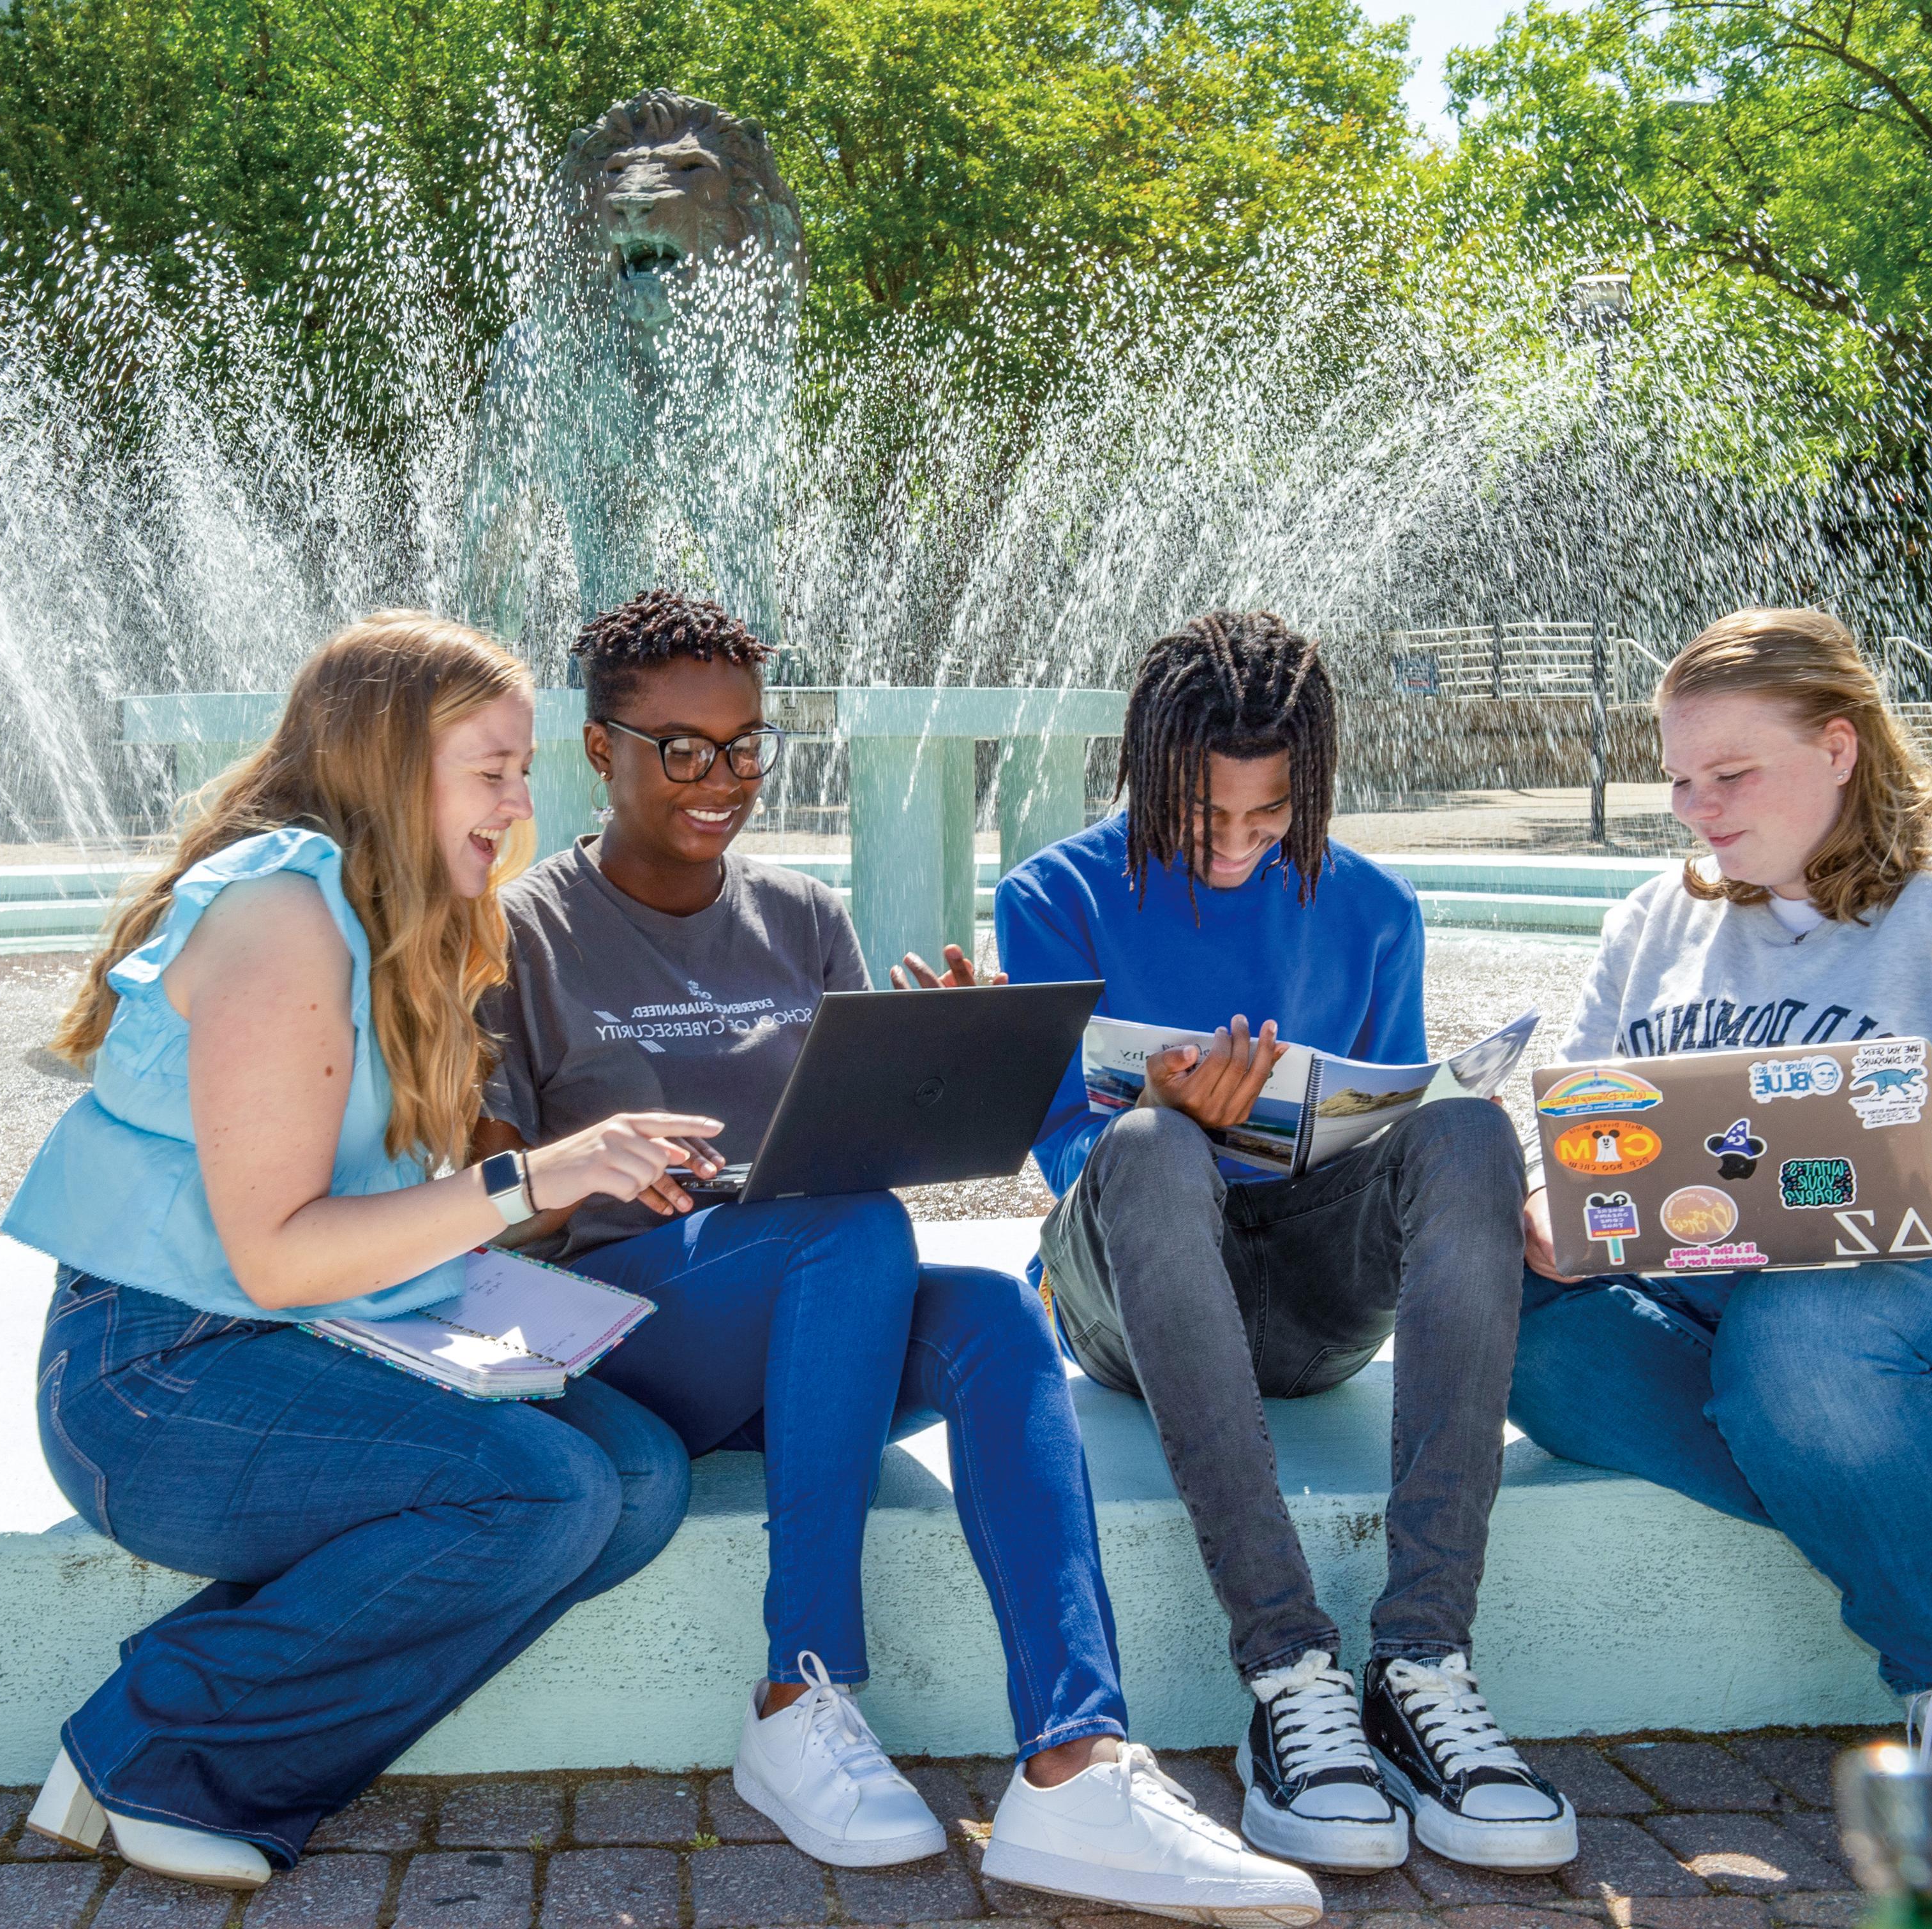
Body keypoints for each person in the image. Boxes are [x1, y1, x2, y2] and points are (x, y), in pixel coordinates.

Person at [475, 588, 1321, 1925]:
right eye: (682, 749)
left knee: (990, 1311)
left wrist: (946, 1060)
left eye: (747, 746)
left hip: (818, 1314)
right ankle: (798, 1691)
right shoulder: (522, 931)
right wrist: (611, 1163)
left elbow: (859, 1152)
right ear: (600, 750)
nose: (721, 779)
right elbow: (494, 1207)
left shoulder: (806, 917)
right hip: (636, 1327)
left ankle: (1075, 1762)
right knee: (847, 1232)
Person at [0, 612, 720, 1889]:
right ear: (393, 758)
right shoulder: (283, 915)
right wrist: (526, 1180)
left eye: (521, 769)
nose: (517, 802)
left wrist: (556, 1188)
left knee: (641, 1478)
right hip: (159, 1377)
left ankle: (188, 1702)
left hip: (302, 1342)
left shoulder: (387, 919)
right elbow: (275, 1259)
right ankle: (165, 1752)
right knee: (543, 1491)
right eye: (490, 768)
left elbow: (365, 1227)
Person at [1510, 607, 1932, 1849]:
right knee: (1519, 1329)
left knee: (1807, 1313)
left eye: (1731, 775)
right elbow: (1600, 1131)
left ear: (1840, 750)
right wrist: (1567, 1212)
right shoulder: (1654, 923)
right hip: (1763, 1313)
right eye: (1680, 778)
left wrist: (1895, 1197)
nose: (1696, 808)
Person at [998, 610, 1577, 1875]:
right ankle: (1289, 1676)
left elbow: (1392, 1125)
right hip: (1126, 1305)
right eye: (1206, 822)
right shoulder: (1050, 896)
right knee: (1149, 1150)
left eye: (1271, 824)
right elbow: (1056, 1157)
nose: (1237, 848)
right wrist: (1161, 1116)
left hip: (1311, 1301)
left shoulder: (1374, 906)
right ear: (1142, 777)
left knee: (1475, 1135)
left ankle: (1423, 1664)